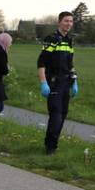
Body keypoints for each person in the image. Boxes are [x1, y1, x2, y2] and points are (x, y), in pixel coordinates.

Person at [37, 11, 78, 154]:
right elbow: (41, 62)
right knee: (56, 114)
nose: (69, 24)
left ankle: (53, 143)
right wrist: (43, 82)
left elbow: (70, 63)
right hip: (53, 82)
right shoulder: (52, 39)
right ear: (59, 22)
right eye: (66, 21)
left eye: (71, 21)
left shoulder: (69, 40)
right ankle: (50, 147)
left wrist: (74, 81)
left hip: (66, 82)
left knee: (64, 113)